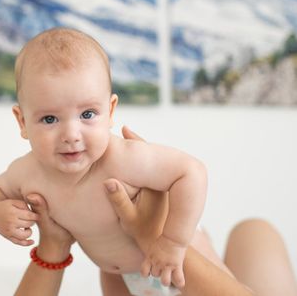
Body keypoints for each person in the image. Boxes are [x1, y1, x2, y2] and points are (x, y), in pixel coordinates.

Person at [0, 27, 216, 294]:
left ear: (110, 110)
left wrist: (173, 242)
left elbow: (191, 172)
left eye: (88, 114)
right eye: (49, 119)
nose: (71, 135)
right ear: (22, 121)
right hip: (118, 276)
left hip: (179, 259)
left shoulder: (124, 159)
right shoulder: (28, 172)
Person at [15, 126, 297, 296]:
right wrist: (153, 235)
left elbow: (190, 172)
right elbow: (192, 171)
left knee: (252, 230)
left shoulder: (114, 269)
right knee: (254, 230)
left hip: (145, 262)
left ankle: (199, 256)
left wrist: (53, 246)